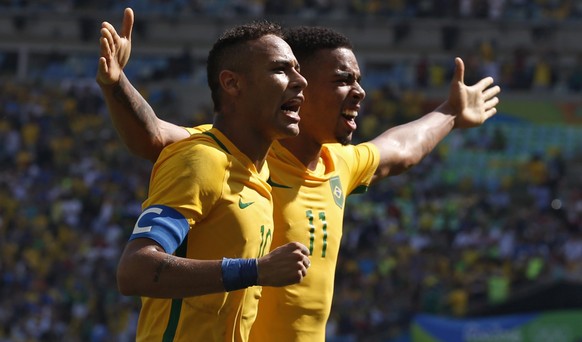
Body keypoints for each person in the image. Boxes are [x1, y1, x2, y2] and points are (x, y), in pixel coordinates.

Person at [97, 8, 500, 342]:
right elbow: (157, 138)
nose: (358, 92)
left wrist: (449, 113)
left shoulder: (336, 165)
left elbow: (400, 149)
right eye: (343, 80)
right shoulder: (226, 156)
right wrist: (117, 85)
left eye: (358, 80)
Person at [98, 13, 313, 342]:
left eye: (297, 69)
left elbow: (154, 131)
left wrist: (118, 83)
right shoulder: (203, 160)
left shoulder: (255, 168)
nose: (300, 81)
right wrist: (255, 270)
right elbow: (135, 270)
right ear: (232, 84)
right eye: (281, 69)